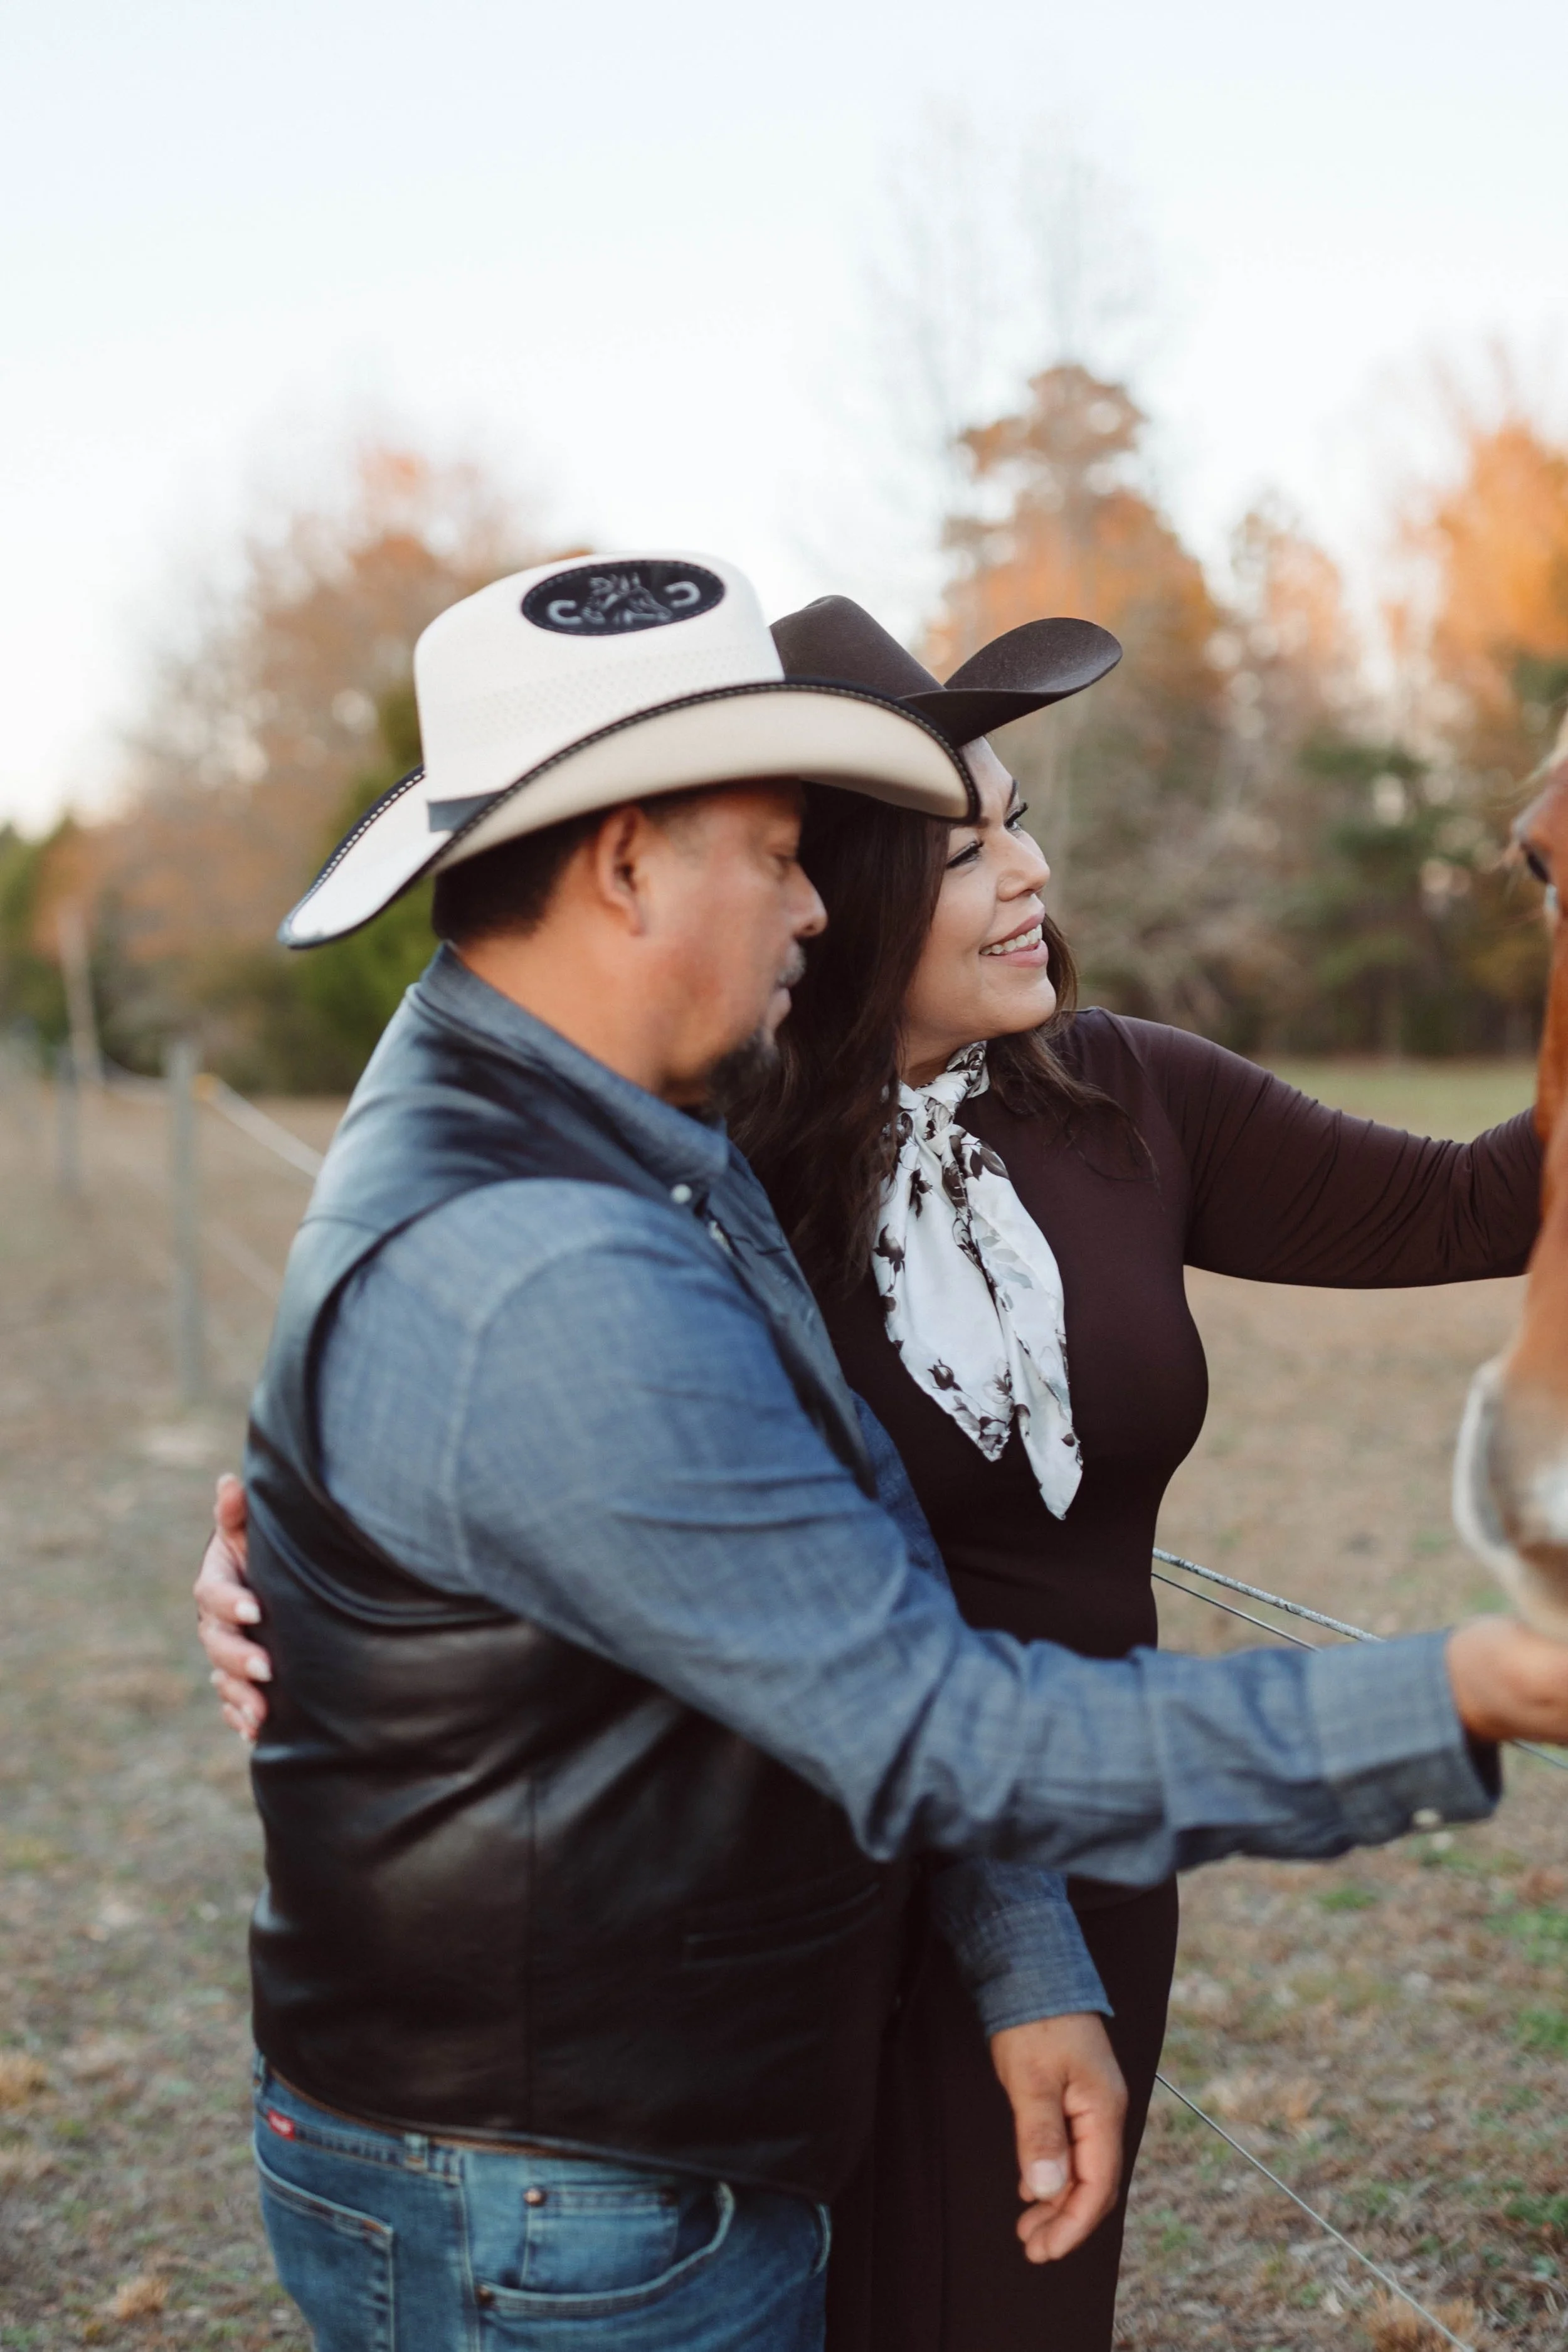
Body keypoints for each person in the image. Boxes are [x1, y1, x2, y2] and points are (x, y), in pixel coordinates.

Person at [196, 549, 1568, 2352]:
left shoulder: (672, 1132)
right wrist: (1464, 1689)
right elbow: (904, 1698)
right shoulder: (651, 1194)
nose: (809, 904)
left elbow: (838, 1570)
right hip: (650, 2060)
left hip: (973, 1874)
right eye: (799, 854)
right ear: (639, 869)